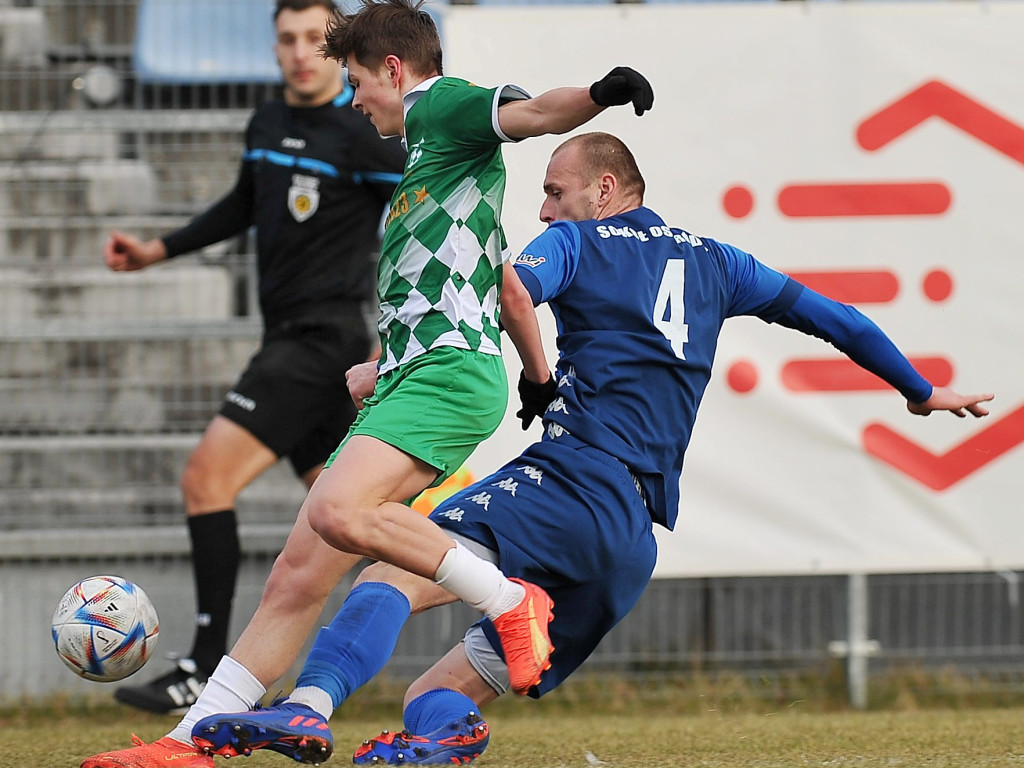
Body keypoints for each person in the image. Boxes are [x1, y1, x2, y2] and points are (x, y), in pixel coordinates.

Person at [179, 132, 993, 765]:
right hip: (632, 542)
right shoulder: (719, 263)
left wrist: (460, 373)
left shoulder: (581, 243)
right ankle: (442, 740)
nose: (543, 210)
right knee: (439, 691)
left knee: (391, 563)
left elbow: (509, 293)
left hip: (568, 482)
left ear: (606, 190)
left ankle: (308, 706)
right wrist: (919, 389)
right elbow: (833, 317)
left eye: (553, 191)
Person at [80, 0, 655, 764]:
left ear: (393, 70)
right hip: (412, 375)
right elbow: (477, 280)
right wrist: (387, 363)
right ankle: (187, 743)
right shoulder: (423, 157)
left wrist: (600, 93)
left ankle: (511, 600)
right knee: (296, 572)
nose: (352, 99)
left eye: (356, 82)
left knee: (338, 509)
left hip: (448, 378)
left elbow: (536, 114)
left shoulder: (443, 107)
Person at [103, 0, 407, 717]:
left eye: (315, 40)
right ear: (273, 48)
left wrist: (393, 331)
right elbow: (241, 205)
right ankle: (478, 567)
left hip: (321, 343)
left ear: (339, 52)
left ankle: (202, 670)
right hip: (290, 343)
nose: (302, 52)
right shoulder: (267, 123)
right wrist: (156, 251)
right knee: (345, 524)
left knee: (205, 479)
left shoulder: (362, 135)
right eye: (288, 39)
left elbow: (419, 218)